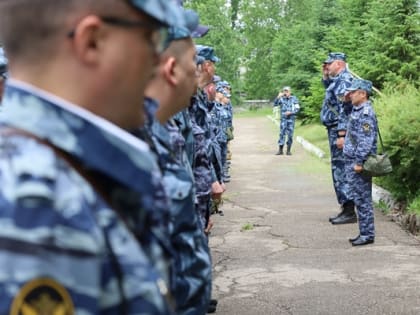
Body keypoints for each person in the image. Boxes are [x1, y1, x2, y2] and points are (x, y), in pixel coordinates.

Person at [0, 1, 185, 313]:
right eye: (151, 38)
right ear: (92, 41)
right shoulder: (38, 205)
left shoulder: (65, 171)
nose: (159, 61)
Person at [141, 9, 213, 315]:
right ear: (172, 69)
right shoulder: (136, 144)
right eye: (192, 61)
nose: (197, 70)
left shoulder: (156, 130)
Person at [320, 52, 356, 225]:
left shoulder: (344, 80)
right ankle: (345, 206)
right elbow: (331, 95)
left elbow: (345, 108)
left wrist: (342, 133)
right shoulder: (338, 79)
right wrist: (325, 76)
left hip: (339, 130)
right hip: (334, 129)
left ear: (339, 64)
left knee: (341, 167)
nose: (327, 66)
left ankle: (349, 209)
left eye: (330, 64)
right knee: (337, 167)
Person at [343, 79, 377, 246]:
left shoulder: (366, 113)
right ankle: (364, 232)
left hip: (359, 164)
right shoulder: (357, 109)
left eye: (353, 92)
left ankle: (367, 234)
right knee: (359, 198)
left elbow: (366, 140)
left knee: (363, 200)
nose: (350, 94)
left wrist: (358, 162)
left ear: (363, 94)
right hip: (353, 161)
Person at [273, 86, 300, 155]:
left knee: (290, 135)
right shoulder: (281, 99)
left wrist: (291, 112)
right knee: (282, 134)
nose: (286, 93)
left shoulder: (294, 99)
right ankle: (280, 150)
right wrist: (278, 97)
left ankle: (288, 150)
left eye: (287, 91)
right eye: (284, 91)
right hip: (283, 119)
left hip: (291, 119)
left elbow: (297, 109)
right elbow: (275, 104)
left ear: (290, 92)